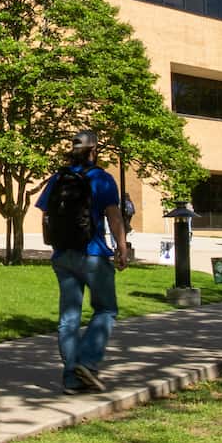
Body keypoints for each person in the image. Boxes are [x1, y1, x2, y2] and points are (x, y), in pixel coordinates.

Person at [36, 130, 130, 393]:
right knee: (106, 309)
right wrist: (121, 248)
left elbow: (44, 215)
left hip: (62, 256)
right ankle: (87, 362)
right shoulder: (102, 178)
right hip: (93, 254)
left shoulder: (57, 179)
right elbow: (114, 217)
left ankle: (71, 378)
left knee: (69, 318)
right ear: (94, 150)